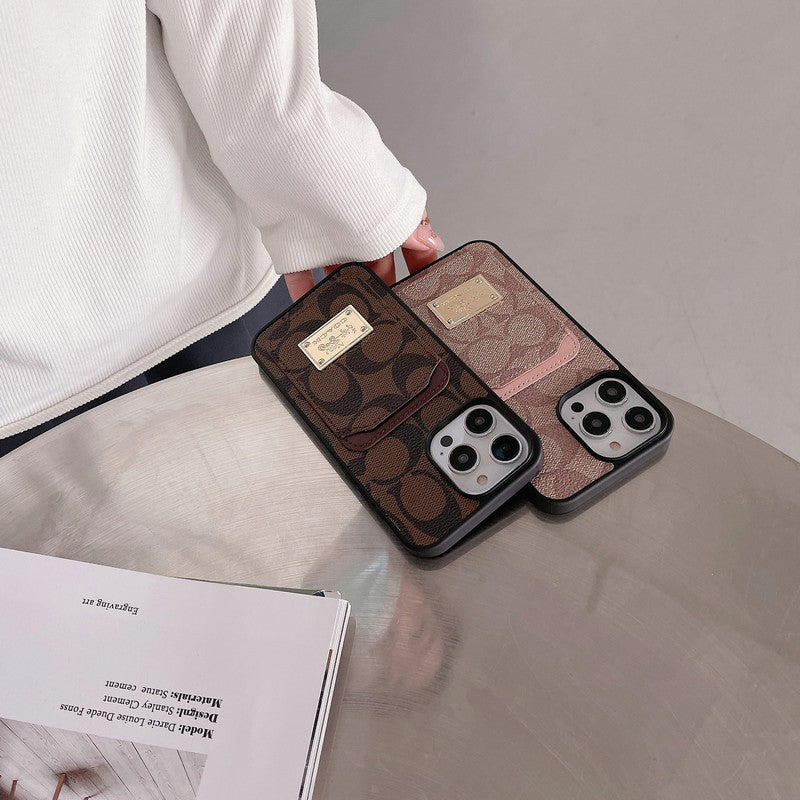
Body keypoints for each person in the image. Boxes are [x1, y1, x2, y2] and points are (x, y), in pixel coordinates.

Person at [0, 0, 443, 457]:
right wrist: (336, 183)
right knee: (344, 477)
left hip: (179, 288)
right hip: (193, 257)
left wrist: (325, 178)